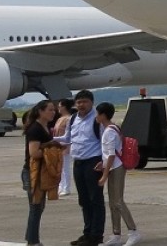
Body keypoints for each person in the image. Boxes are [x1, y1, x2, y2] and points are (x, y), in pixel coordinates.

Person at [95, 102, 140, 245]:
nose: (96, 116)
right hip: (113, 167)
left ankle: (133, 231)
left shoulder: (109, 132)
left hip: (116, 168)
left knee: (118, 201)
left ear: (102, 115)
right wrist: (103, 164)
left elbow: (111, 155)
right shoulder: (112, 128)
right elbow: (111, 153)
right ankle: (116, 234)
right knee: (113, 202)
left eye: (97, 113)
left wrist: (104, 174)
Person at [65, 89, 106, 246]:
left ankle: (96, 236)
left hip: (93, 162)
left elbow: (105, 141)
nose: (81, 105)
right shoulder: (73, 118)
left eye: (85, 102)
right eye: (79, 102)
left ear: (91, 103)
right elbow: (68, 138)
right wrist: (50, 139)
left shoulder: (97, 119)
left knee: (95, 199)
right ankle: (87, 233)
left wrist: (103, 161)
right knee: (84, 200)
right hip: (78, 162)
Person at [22, 99, 61, 246]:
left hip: (41, 172)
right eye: (50, 110)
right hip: (33, 172)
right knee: (36, 206)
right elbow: (34, 153)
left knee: (38, 207)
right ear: (41, 112)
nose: (53, 112)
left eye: (54, 110)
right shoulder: (35, 129)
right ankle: (33, 241)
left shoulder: (45, 126)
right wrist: (51, 149)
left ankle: (30, 237)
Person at [53, 98, 74, 197]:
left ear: (65, 107)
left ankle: (66, 188)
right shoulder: (59, 118)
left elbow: (68, 135)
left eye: (60, 106)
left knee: (65, 168)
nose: (58, 108)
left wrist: (53, 139)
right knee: (59, 168)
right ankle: (61, 186)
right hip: (58, 146)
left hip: (65, 146)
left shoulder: (69, 118)